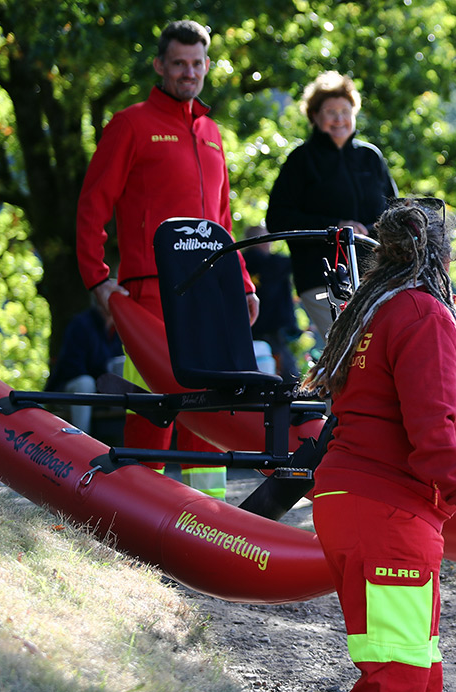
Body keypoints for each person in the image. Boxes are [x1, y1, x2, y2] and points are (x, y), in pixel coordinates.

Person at [301, 199, 456, 692]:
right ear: (441, 254)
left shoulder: (370, 311)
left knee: (419, 663)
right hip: (387, 510)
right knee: (398, 674)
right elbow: (432, 432)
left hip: (355, 502)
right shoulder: (423, 313)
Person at [76, 19, 259, 501]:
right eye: (178, 63)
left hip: (211, 294)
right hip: (149, 292)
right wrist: (98, 278)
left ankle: (209, 519)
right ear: (159, 65)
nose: (188, 72)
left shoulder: (212, 131)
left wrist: (242, 283)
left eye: (197, 63)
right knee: (155, 409)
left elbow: (222, 219)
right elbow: (94, 203)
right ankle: (141, 511)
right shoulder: (130, 124)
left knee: (210, 406)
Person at [267, 71, 398, 345]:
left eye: (345, 111)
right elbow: (278, 219)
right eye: (330, 112)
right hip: (320, 278)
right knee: (350, 349)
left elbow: (395, 214)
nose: (339, 119)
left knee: (380, 350)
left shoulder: (371, 157)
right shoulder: (301, 160)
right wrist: (335, 226)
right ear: (314, 115)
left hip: (376, 277)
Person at [46, 302, 124, 433]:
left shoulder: (121, 328)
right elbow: (72, 367)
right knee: (85, 383)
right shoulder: (81, 324)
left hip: (106, 394)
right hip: (69, 390)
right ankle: (82, 441)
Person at [243, 224, 301, 380]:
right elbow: (297, 262)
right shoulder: (275, 264)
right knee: (288, 377)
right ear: (263, 241)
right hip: (273, 329)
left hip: (247, 329)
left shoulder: (239, 266)